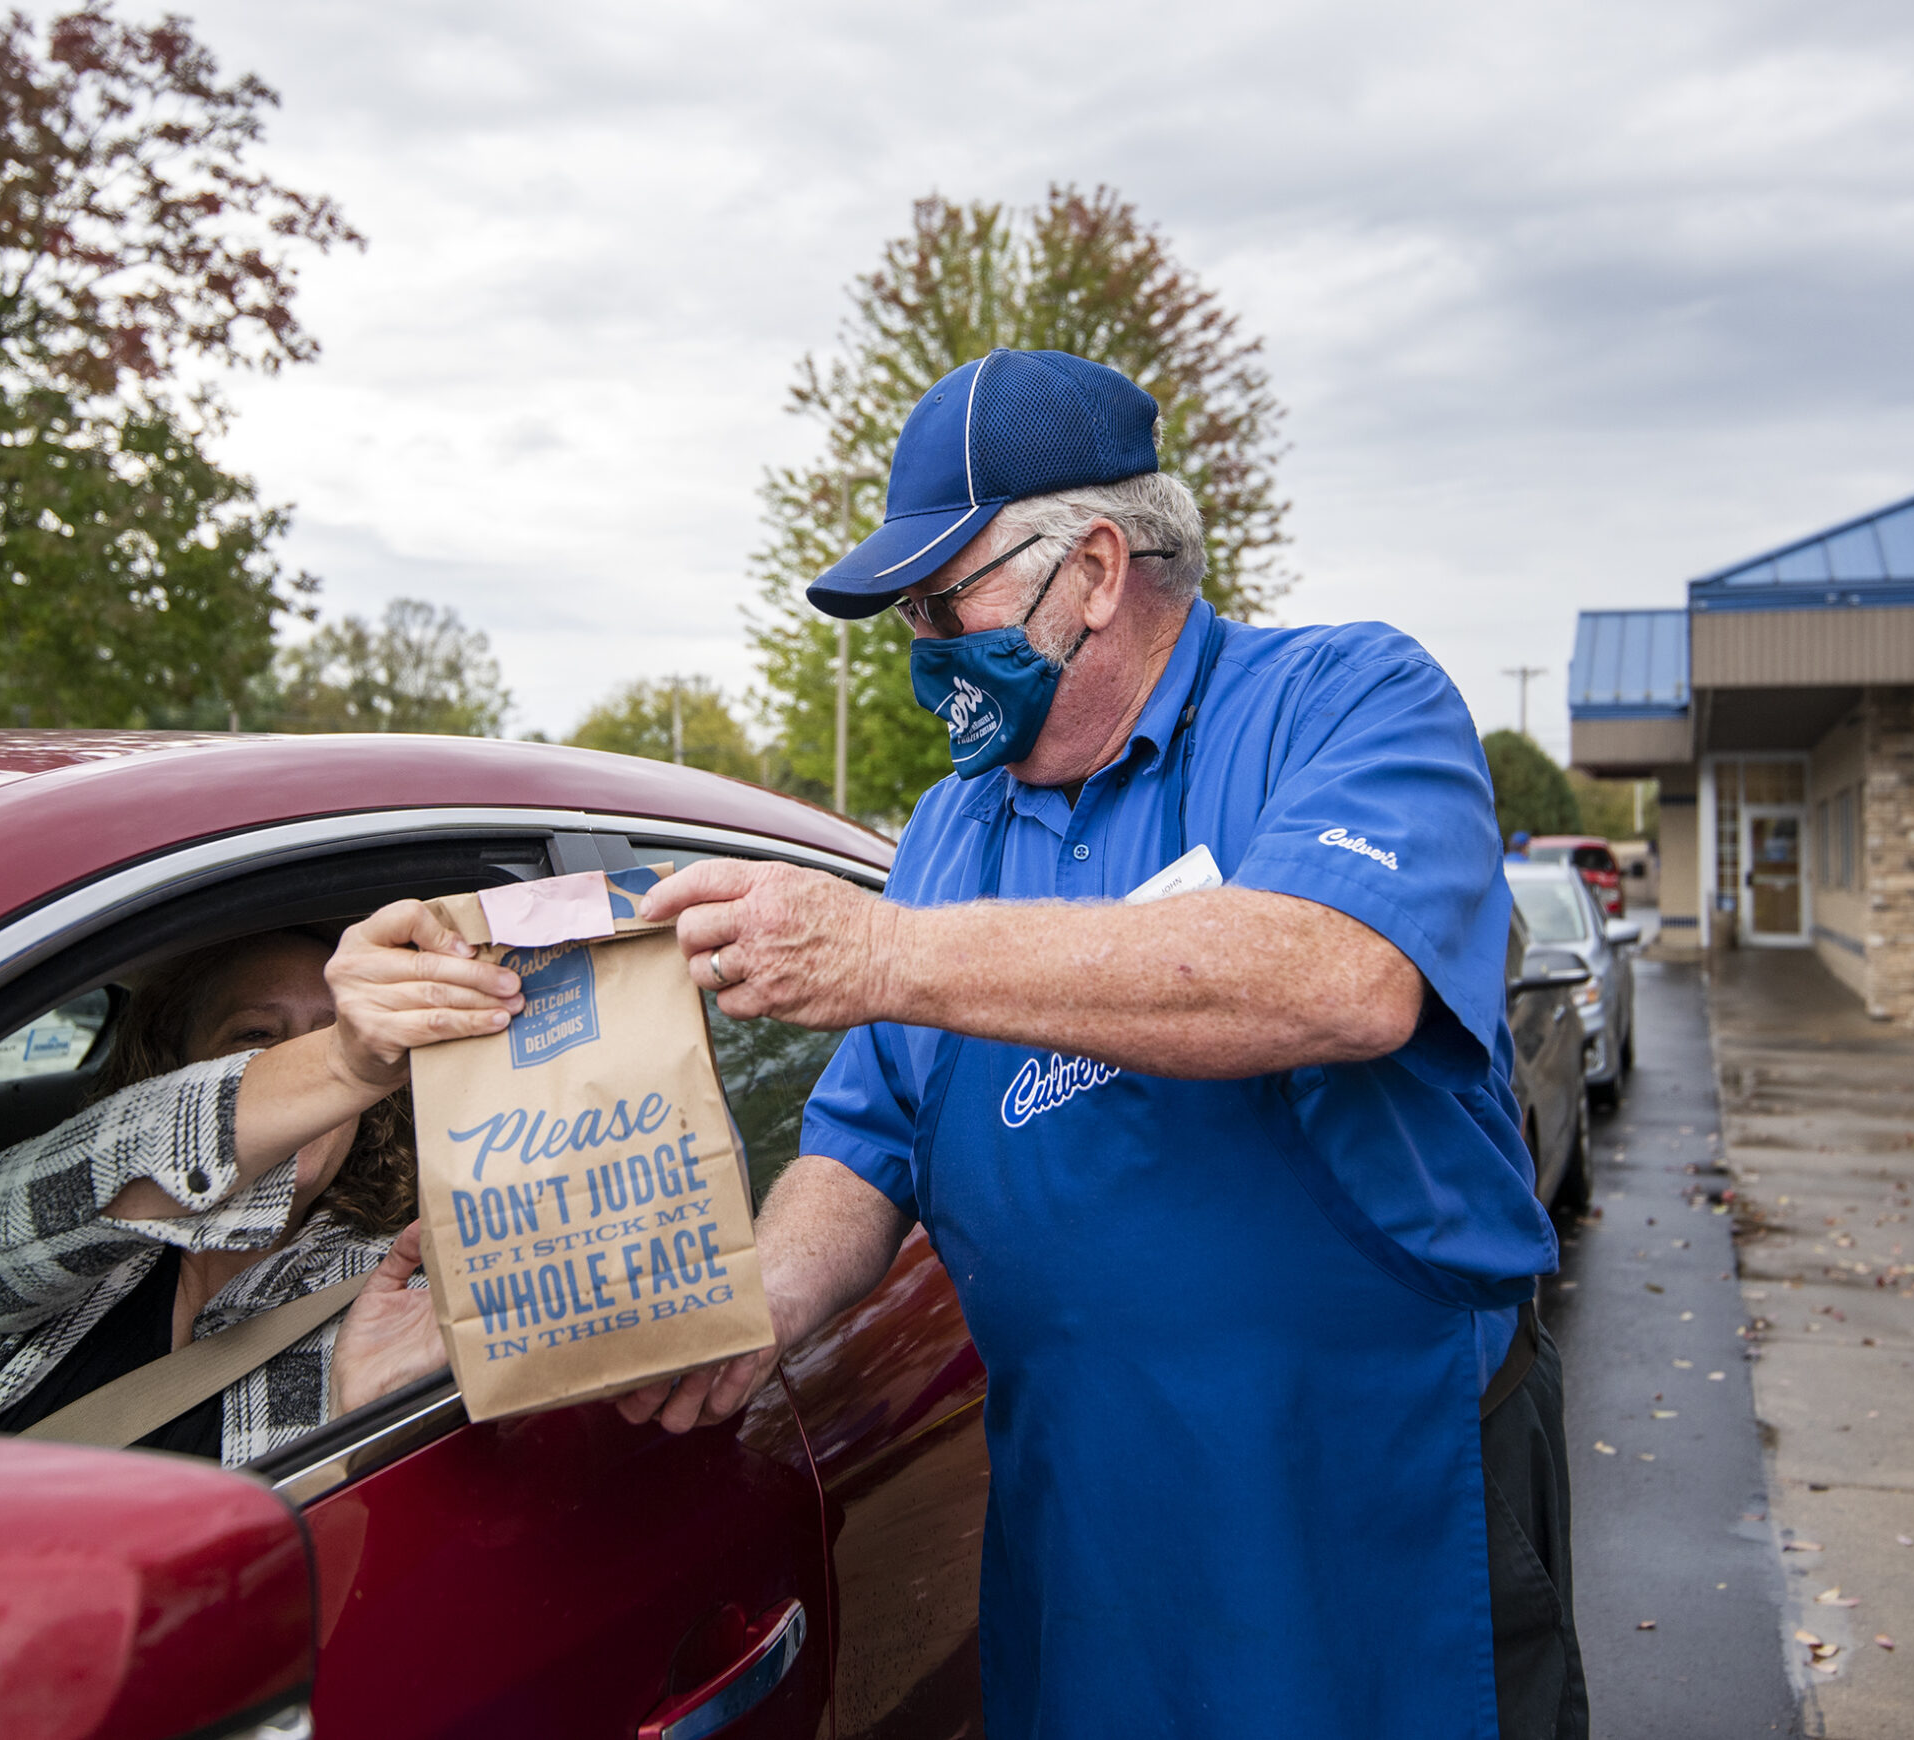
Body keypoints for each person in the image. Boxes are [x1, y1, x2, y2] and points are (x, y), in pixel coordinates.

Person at [625, 349, 1588, 1739]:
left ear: (1089, 567)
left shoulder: (1343, 701)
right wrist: (755, 1309)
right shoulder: (955, 828)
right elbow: (863, 1140)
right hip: (1086, 1545)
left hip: (1375, 1514)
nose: (921, 653)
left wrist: (881, 953)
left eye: (941, 602)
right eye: (904, 617)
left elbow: (1342, 975)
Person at [0, 904, 521, 1465]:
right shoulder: (30, 1240)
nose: (302, 1067)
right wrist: (341, 1061)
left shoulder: (394, 1294)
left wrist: (360, 1426)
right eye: (256, 1035)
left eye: (328, 1032)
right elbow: (68, 1182)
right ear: (174, 1069)